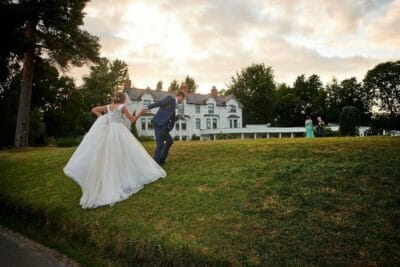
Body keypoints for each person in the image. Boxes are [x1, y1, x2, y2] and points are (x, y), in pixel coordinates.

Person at [63, 91, 166, 209]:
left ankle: (106, 180)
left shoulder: (108, 106)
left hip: (108, 132)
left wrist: (102, 118)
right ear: (122, 100)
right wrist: (141, 113)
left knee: (107, 156)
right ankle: (121, 178)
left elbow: (94, 109)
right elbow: (132, 120)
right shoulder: (122, 107)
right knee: (122, 154)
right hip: (118, 132)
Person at [136, 89, 186, 165]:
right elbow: (159, 103)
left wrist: (178, 117)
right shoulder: (170, 99)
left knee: (170, 141)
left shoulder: (175, 105)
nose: (183, 100)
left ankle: (161, 159)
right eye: (183, 99)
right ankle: (155, 163)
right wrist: (147, 107)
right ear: (180, 96)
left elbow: (171, 117)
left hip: (164, 126)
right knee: (160, 144)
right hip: (159, 123)